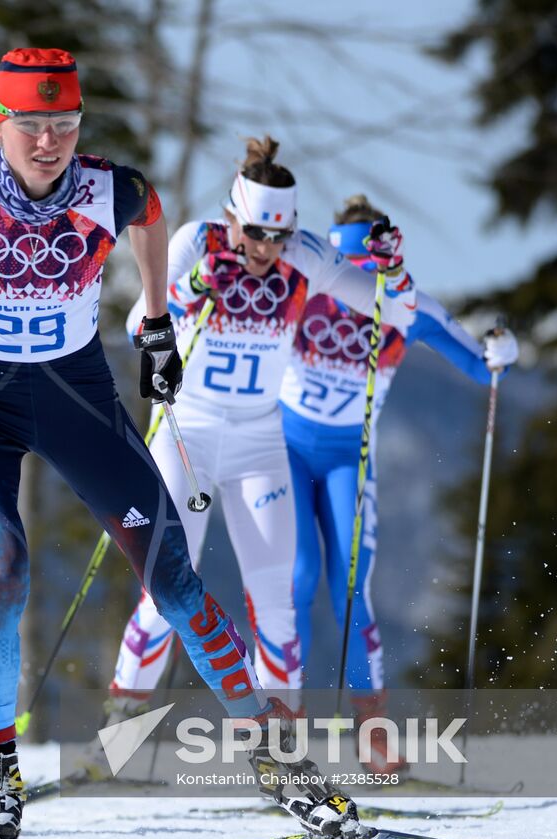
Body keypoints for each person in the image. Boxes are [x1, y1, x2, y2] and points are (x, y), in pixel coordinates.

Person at [0, 48, 371, 839]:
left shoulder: (110, 188)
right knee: (0, 573)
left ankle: (275, 756)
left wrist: (154, 318)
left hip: (74, 395)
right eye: (31, 127)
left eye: (63, 127)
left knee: (174, 581)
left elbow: (149, 214)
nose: (48, 144)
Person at [104, 140, 417, 714]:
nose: (266, 249)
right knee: (166, 593)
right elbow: (133, 325)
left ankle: (283, 749)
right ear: (232, 217)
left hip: (258, 443)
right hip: (186, 436)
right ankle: (117, 737)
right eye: (254, 233)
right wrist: (193, 286)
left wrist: (391, 269)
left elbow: (393, 311)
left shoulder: (305, 255)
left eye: (279, 236)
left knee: (276, 605)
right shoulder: (198, 241)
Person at [278, 194, 518, 771]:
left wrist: (500, 349)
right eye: (347, 270)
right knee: (297, 578)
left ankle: (373, 736)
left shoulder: (405, 301)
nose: (354, 284)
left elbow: (478, 363)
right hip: (282, 448)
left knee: (350, 590)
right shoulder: (306, 279)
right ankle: (280, 735)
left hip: (348, 459)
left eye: (369, 270)